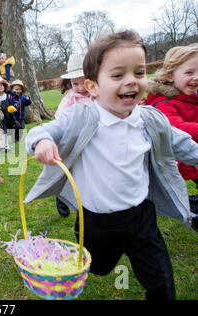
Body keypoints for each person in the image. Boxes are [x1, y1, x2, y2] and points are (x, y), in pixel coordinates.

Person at [25, 30, 198, 300]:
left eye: (139, 73)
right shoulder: (80, 117)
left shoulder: (150, 120)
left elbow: (184, 145)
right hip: (97, 219)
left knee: (161, 279)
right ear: (93, 86)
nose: (131, 82)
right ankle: (86, 241)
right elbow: (39, 132)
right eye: (118, 75)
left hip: (141, 215)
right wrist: (42, 143)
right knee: (100, 266)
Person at [146, 44, 198, 230]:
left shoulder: (190, 96)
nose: (196, 77)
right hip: (177, 158)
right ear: (170, 76)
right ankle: (190, 209)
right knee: (171, 190)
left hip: (192, 154)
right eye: (189, 72)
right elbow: (175, 128)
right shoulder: (163, 102)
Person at [54, 53, 94, 218]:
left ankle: (89, 201)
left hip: (92, 142)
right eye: (75, 84)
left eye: (84, 82)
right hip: (73, 142)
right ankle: (62, 196)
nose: (81, 88)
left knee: (88, 174)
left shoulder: (98, 96)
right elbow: (59, 120)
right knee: (70, 173)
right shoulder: (70, 101)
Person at [55, 53, 94, 119]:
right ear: (70, 83)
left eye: (85, 83)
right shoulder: (69, 100)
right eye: (75, 84)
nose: (81, 88)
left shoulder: (97, 95)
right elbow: (60, 118)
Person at [0, 76, 18, 152]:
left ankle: (4, 145)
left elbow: (14, 103)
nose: (0, 87)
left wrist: (14, 107)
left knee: (7, 130)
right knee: (2, 131)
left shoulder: (8, 95)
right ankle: (5, 146)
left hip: (8, 116)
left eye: (2, 85)